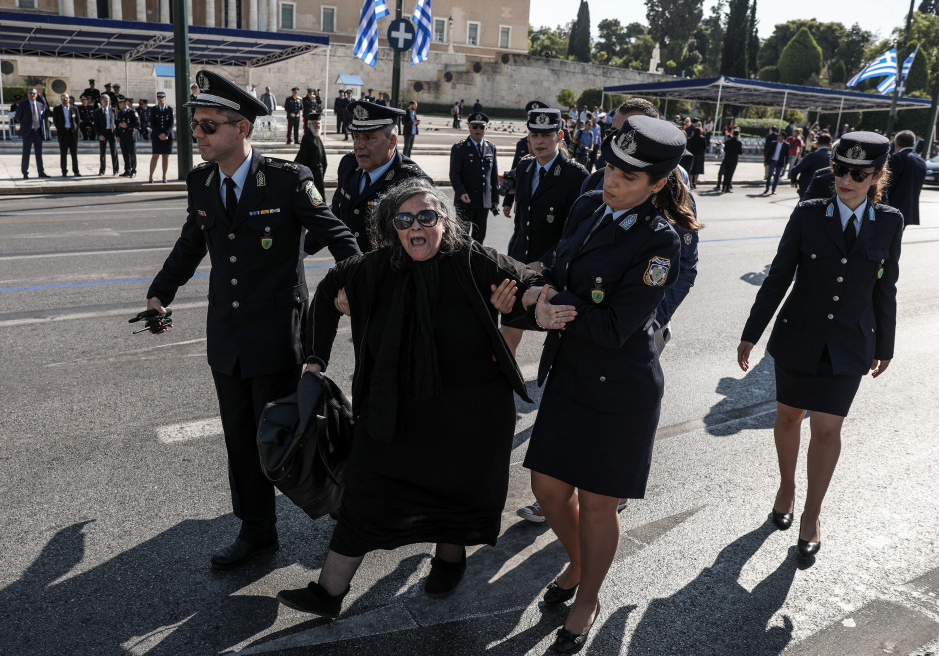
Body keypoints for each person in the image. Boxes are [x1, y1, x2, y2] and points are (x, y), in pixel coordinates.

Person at [275, 177, 547, 619]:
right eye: (404, 219)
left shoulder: (472, 259)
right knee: (365, 492)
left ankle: (449, 561)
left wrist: (521, 301)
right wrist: (314, 363)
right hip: (392, 409)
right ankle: (327, 593)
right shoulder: (372, 268)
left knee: (455, 494)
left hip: (469, 409)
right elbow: (325, 296)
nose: (415, 226)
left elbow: (529, 281)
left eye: (426, 216)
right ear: (392, 226)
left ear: (444, 221)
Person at [143, 69, 360, 572]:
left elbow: (339, 234)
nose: (197, 134)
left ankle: (343, 504)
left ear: (241, 129)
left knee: (292, 437)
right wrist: (159, 293)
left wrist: (354, 284)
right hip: (227, 337)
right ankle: (258, 532)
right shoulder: (201, 182)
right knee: (242, 442)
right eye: (195, 124)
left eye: (208, 125)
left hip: (278, 337)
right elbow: (190, 245)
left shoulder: (287, 181)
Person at [524, 116, 685, 654]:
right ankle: (580, 562)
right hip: (572, 373)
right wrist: (534, 287)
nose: (613, 180)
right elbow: (560, 266)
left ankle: (588, 596)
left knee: (597, 503)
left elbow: (617, 326)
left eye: (630, 176)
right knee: (547, 490)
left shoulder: (661, 243)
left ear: (658, 184)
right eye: (612, 166)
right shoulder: (591, 204)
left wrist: (548, 311)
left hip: (621, 389)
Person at [739, 131, 903, 559]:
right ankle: (787, 486)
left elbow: (886, 288)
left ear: (877, 175)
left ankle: (812, 513)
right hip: (800, 336)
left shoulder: (890, 221)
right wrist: (751, 332)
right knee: (790, 416)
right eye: (839, 170)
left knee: (828, 427)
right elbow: (779, 276)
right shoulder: (809, 213)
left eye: (858, 173)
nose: (845, 179)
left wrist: (886, 343)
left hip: (851, 343)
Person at [500, 108, 588, 355]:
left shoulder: (575, 175)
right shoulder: (526, 167)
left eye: (546, 135)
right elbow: (521, 224)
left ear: (560, 135)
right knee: (509, 324)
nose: (539, 141)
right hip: (520, 263)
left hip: (554, 269)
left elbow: (576, 232)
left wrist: (546, 262)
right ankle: (505, 382)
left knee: (558, 335)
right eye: (534, 135)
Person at [310, 99, 429, 254]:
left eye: (369, 137)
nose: (359, 145)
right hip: (348, 271)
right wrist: (299, 252)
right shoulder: (349, 166)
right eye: (356, 136)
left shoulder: (411, 181)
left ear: (392, 141)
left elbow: (422, 246)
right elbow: (335, 217)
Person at [448, 112, 500, 244]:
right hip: (466, 200)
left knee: (479, 238)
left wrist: (495, 198)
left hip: (484, 202)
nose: (478, 130)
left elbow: (493, 175)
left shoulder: (491, 148)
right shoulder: (459, 148)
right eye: (475, 126)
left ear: (486, 129)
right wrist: (461, 192)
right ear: (469, 128)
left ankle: (476, 263)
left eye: (481, 127)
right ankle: (460, 263)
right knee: (461, 238)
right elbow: (454, 174)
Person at [886, 130, 926, 228]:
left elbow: (887, 184)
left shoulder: (898, 158)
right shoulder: (921, 161)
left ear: (896, 144)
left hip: (892, 209)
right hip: (909, 211)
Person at [13, 88, 48, 180]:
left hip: (38, 131)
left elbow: (43, 116)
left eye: (34, 93)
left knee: (39, 153)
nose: (32, 95)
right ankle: (25, 172)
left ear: (37, 95)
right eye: (30, 93)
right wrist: (25, 123)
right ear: (27, 94)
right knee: (26, 153)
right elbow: (17, 117)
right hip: (28, 131)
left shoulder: (40, 105)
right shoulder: (23, 104)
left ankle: (41, 172)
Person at [294, 112, 328, 200]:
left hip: (319, 174)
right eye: (315, 123)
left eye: (319, 123)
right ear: (310, 124)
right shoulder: (307, 138)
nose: (318, 125)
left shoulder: (317, 136)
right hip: (312, 174)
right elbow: (302, 157)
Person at [789, 134, 833, 198]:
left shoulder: (812, 155)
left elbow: (795, 170)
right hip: (826, 193)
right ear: (830, 145)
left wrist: (794, 180)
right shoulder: (833, 158)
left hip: (809, 190)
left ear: (817, 143)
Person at [52, 93, 81, 177]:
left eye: (67, 98)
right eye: (63, 98)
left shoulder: (74, 108)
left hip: (72, 133)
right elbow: (55, 121)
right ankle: (64, 171)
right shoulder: (57, 109)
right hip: (63, 133)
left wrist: (74, 128)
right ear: (61, 99)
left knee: (74, 153)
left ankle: (76, 171)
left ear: (69, 99)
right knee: (63, 153)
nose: (65, 99)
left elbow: (78, 120)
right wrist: (60, 129)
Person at [148, 91, 174, 183]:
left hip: (167, 137)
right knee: (155, 155)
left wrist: (166, 134)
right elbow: (152, 124)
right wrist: (159, 134)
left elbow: (171, 124)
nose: (161, 99)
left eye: (163, 97)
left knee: (165, 156)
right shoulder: (153, 109)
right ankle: (151, 176)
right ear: (157, 99)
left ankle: (164, 176)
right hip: (156, 136)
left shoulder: (169, 109)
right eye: (159, 97)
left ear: (165, 98)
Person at [114, 97, 139, 178]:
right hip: (122, 136)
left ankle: (133, 170)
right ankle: (127, 170)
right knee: (125, 154)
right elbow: (117, 125)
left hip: (130, 136)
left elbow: (137, 124)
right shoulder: (120, 113)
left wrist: (127, 126)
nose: (119, 105)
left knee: (132, 154)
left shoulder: (132, 112)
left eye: (120, 103)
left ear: (125, 103)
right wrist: (117, 135)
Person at [94, 93, 119, 176]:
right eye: (105, 101)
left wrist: (117, 134)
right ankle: (102, 170)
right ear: (101, 101)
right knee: (102, 152)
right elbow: (96, 125)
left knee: (114, 152)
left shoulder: (113, 110)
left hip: (112, 132)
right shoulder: (97, 112)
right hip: (103, 133)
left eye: (108, 101)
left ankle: (115, 170)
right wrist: (99, 134)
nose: (107, 102)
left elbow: (116, 122)